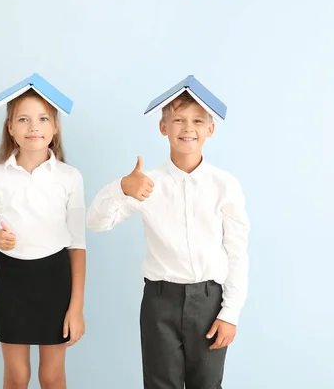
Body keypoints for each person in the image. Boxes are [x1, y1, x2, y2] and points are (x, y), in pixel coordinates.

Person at [86, 76, 250, 389]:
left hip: (209, 300)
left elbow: (237, 252)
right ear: (164, 127)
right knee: (161, 384)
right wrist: (121, 188)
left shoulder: (225, 186)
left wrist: (230, 313)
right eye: (178, 120)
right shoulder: (148, 184)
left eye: (197, 121)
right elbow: (96, 222)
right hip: (160, 302)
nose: (188, 128)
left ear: (209, 129)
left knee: (207, 384)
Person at [0, 80, 86, 389]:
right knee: (17, 376)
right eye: (23, 119)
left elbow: (77, 244)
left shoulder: (69, 177)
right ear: (10, 127)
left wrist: (75, 307)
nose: (33, 127)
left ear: (55, 127)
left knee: (51, 376)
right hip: (13, 280)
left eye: (43, 119)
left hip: (55, 279)